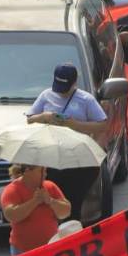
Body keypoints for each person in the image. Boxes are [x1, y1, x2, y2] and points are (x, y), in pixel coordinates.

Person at [27, 63, 108, 217]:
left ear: (74, 83)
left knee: (72, 203)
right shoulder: (46, 95)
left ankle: (73, 226)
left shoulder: (86, 99)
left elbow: (103, 125)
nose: (61, 92)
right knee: (49, 202)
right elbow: (29, 119)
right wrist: (45, 117)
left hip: (78, 159)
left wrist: (74, 124)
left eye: (65, 88)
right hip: (50, 156)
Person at [2, 161, 71, 256]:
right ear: (27, 171)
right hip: (22, 251)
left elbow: (66, 211)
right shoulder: (12, 189)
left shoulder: (50, 186)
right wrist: (34, 201)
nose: (45, 174)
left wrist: (50, 201)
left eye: (45, 171)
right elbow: (11, 215)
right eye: (41, 171)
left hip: (51, 248)